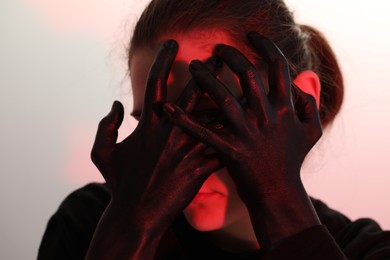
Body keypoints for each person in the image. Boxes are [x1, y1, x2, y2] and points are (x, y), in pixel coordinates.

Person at [38, 0, 390, 259]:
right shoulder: (89, 223)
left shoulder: (365, 251)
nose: (174, 149)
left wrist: (276, 196)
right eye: (155, 124)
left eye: (213, 114)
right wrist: (131, 227)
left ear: (300, 101)